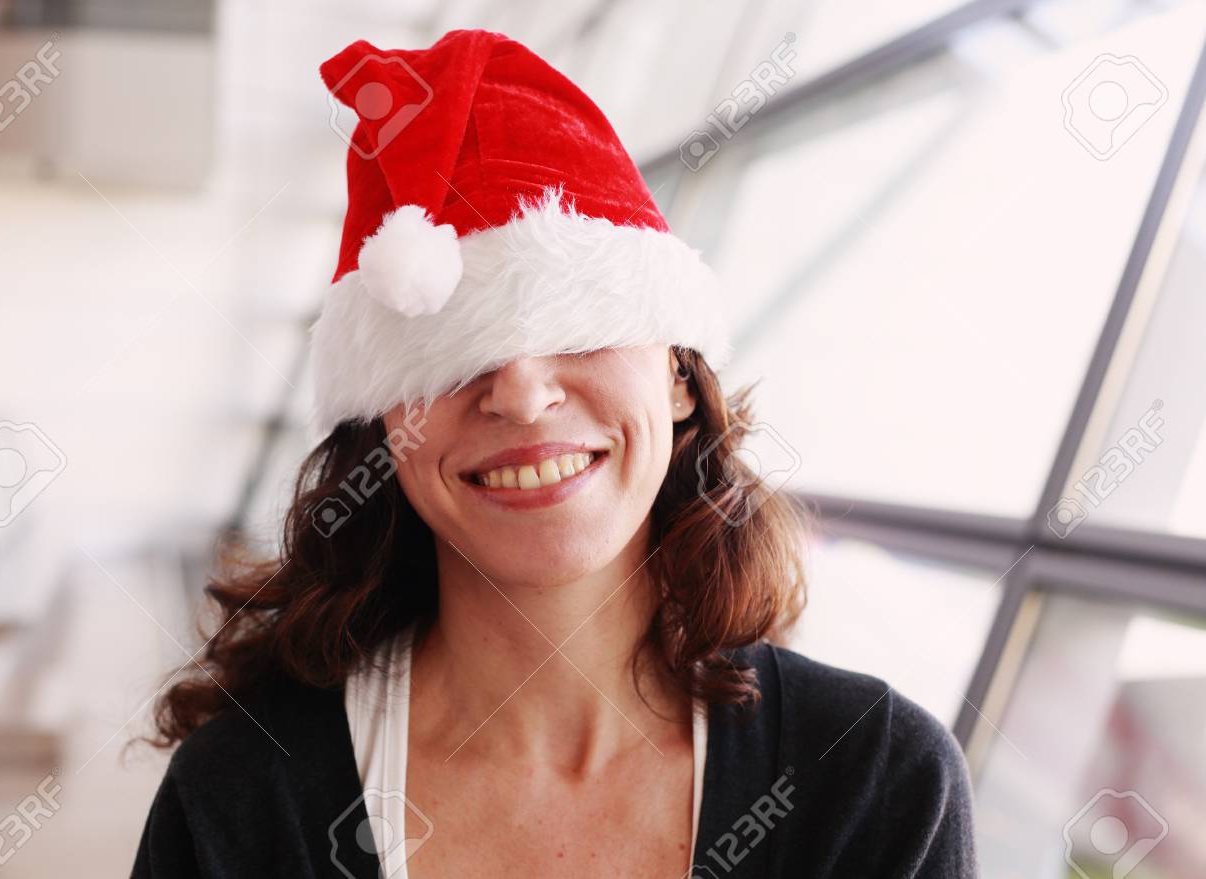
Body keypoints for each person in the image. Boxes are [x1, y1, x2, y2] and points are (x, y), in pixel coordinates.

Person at [130, 28, 977, 879]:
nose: (521, 393)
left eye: (576, 322)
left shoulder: (874, 783)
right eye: (447, 347)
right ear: (380, 423)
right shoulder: (240, 800)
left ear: (680, 377)